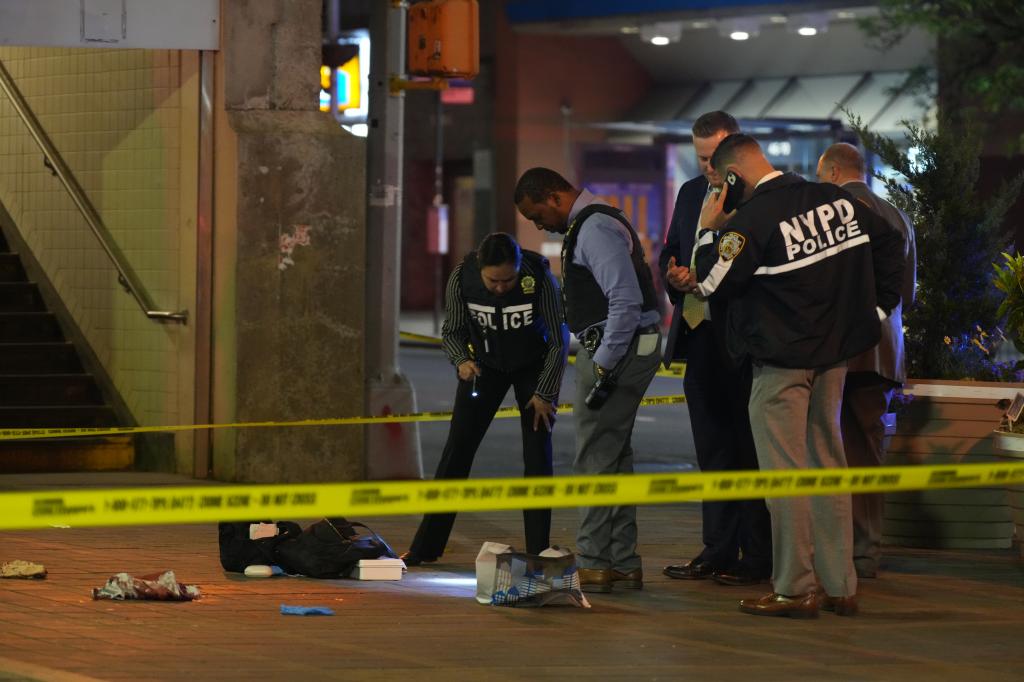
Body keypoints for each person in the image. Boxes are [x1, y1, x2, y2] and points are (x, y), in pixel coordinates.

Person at [681, 134, 904, 617]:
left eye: (719, 183)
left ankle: (795, 587)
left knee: (784, 477)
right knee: (828, 466)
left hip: (781, 364)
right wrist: (877, 312)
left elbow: (710, 281)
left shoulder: (753, 220)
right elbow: (893, 241)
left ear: (734, 177)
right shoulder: (834, 200)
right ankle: (840, 585)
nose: (717, 192)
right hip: (834, 358)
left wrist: (706, 230)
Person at [515, 167, 661, 593]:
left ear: (553, 196)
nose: (539, 224)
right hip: (628, 347)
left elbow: (625, 300)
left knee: (595, 456)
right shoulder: (594, 222)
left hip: (617, 349)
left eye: (536, 214)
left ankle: (597, 559)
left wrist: (602, 363)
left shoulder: (594, 227)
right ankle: (620, 559)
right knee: (614, 456)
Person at [401, 232, 568, 565]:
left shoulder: (539, 278)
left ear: (519, 268)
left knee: (537, 457)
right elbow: (452, 330)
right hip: (484, 367)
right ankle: (425, 547)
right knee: (456, 451)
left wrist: (544, 392)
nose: (501, 287)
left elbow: (558, 340)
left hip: (532, 368)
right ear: (480, 268)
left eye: (509, 279)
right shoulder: (461, 277)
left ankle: (537, 551)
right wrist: (461, 360)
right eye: (494, 281)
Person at [659, 111, 772, 586]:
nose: (706, 167)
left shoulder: (755, 200)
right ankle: (717, 549)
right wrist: (674, 276)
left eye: (712, 158)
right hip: (699, 334)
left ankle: (758, 555)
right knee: (712, 450)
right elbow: (673, 249)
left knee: (749, 450)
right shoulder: (690, 194)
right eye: (699, 157)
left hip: (742, 342)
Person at [816, 142, 917, 579]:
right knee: (868, 452)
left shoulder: (828, 212)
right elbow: (908, 294)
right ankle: (865, 552)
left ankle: (835, 555)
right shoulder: (897, 216)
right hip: (882, 353)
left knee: (826, 451)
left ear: (835, 171)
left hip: (834, 351)